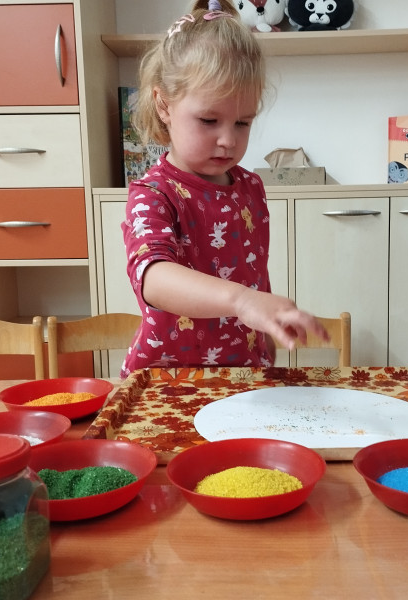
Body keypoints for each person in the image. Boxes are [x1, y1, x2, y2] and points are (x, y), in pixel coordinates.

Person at [121, 0, 328, 377]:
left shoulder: (251, 186)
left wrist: (265, 324)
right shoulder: (154, 193)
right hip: (169, 381)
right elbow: (153, 276)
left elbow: (253, 270)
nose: (228, 140)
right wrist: (242, 301)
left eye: (242, 123)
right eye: (208, 120)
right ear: (164, 105)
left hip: (241, 375)